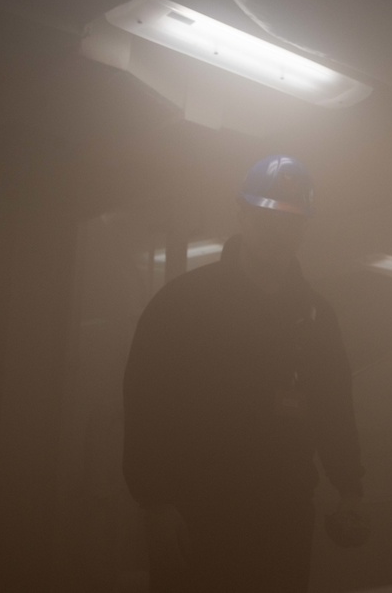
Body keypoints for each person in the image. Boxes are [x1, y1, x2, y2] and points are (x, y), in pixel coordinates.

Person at [122, 155, 368, 592]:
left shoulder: (315, 317)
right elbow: (147, 407)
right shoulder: (183, 305)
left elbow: (334, 407)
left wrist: (349, 488)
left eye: (291, 220)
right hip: (196, 518)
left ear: (304, 227)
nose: (278, 231)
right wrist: (156, 505)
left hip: (283, 521)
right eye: (266, 216)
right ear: (242, 214)